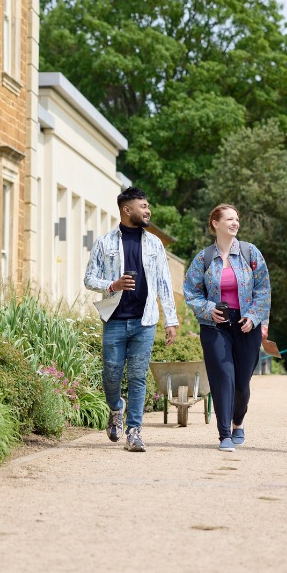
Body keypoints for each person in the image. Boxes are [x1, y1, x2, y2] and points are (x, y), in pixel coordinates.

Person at [84, 187, 178, 452]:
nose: (148, 211)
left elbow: (164, 283)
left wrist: (171, 320)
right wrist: (112, 284)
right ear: (127, 210)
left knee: (138, 377)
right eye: (143, 206)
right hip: (114, 319)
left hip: (144, 321)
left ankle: (134, 431)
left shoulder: (155, 244)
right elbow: (89, 278)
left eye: (148, 206)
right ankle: (116, 409)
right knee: (111, 375)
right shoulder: (105, 242)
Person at [184, 204, 271, 452]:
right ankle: (224, 434)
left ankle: (238, 422)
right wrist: (207, 309)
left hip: (246, 324)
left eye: (237, 219)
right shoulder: (204, 258)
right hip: (215, 324)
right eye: (229, 219)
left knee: (242, 382)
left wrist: (254, 317)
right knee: (223, 377)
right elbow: (191, 291)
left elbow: (263, 289)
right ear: (215, 223)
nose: (235, 223)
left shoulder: (250, 253)